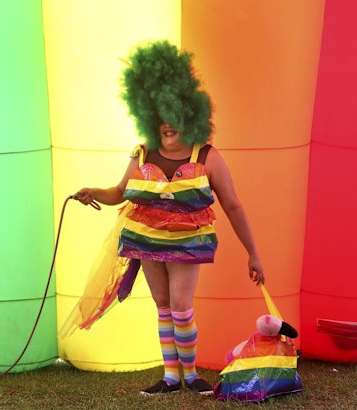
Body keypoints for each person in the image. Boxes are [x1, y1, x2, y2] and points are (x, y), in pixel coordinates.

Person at [74, 40, 265, 396]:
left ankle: (191, 375)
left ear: (190, 114)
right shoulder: (142, 152)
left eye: (174, 114)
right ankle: (171, 377)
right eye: (160, 114)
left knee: (180, 305)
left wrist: (252, 253)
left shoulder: (206, 155)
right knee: (163, 306)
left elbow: (233, 206)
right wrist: (92, 193)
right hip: (146, 241)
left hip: (186, 242)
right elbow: (119, 192)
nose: (167, 124)